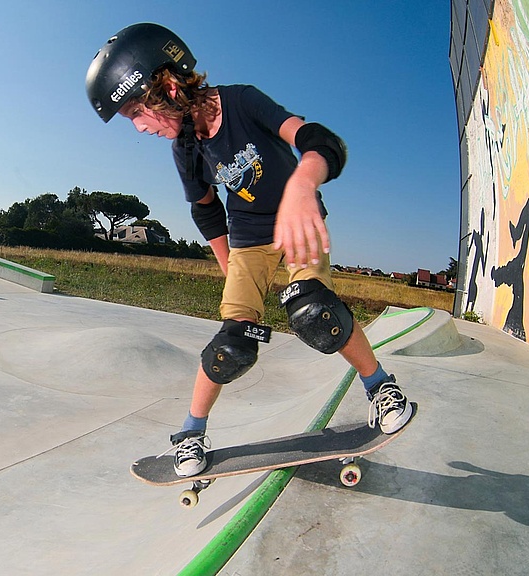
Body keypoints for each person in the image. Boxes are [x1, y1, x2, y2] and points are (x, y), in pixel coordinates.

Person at [85, 23, 413, 477]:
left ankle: (379, 386)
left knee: (316, 311)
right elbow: (206, 212)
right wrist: (230, 271)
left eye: (136, 114)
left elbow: (320, 141)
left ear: (167, 87)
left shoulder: (242, 100)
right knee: (232, 343)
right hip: (247, 239)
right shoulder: (185, 148)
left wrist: (303, 182)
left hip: (298, 223)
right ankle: (191, 432)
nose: (140, 128)